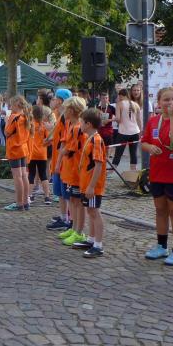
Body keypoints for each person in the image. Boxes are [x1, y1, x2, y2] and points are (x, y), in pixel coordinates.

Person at [140, 87, 173, 265]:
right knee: (160, 209)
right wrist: (150, 147)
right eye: (166, 99)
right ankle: (161, 246)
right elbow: (144, 142)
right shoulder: (153, 121)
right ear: (159, 102)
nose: (171, 103)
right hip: (157, 172)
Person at [76, 108, 108, 257]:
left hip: (92, 185)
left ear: (88, 124)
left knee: (94, 212)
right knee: (90, 211)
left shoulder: (96, 140)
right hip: (86, 183)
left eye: (81, 122)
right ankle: (91, 239)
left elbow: (98, 165)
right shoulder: (90, 138)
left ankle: (98, 245)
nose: (80, 124)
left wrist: (91, 186)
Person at [58, 96, 88, 247]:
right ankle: (74, 227)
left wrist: (63, 151)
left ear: (71, 110)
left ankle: (79, 231)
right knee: (73, 201)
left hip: (76, 171)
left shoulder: (77, 128)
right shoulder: (72, 126)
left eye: (65, 109)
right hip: (70, 170)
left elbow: (70, 148)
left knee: (78, 203)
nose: (63, 111)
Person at [45, 88, 72, 231]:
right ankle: (64, 217)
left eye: (55, 98)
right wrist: (49, 139)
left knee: (65, 193)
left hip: (62, 161)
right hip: (57, 158)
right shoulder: (60, 116)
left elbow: (65, 141)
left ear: (60, 101)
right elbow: (57, 134)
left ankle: (68, 219)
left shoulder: (66, 118)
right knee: (60, 192)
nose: (53, 101)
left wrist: (59, 161)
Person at [3, 95, 32, 211]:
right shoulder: (26, 116)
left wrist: (6, 121)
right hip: (23, 148)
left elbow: (7, 133)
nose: (10, 107)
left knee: (17, 177)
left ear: (16, 105)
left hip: (14, 149)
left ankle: (19, 203)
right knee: (24, 176)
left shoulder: (13, 117)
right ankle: (25, 202)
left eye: (11, 104)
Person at [112, 88, 141, 171]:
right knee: (133, 153)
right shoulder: (136, 104)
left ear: (120, 95)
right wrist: (140, 131)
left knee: (118, 153)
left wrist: (111, 119)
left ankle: (110, 171)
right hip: (135, 131)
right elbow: (139, 120)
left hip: (124, 132)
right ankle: (133, 172)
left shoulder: (119, 104)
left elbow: (118, 119)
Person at [29, 105, 53, 205]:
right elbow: (50, 139)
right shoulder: (44, 125)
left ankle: (29, 196)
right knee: (43, 175)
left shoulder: (30, 124)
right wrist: (44, 145)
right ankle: (47, 197)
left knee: (31, 174)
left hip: (31, 153)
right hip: (42, 154)